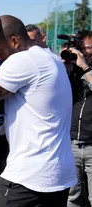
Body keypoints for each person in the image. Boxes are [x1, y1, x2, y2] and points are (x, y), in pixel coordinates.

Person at [0, 8, 77, 207]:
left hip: (27, 179)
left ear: (14, 41)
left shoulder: (25, 60)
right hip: (56, 176)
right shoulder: (50, 58)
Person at [67, 30, 92, 207]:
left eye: (88, 48)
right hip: (71, 144)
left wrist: (85, 68)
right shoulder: (72, 72)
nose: (84, 52)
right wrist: (64, 66)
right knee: (72, 196)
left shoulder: (85, 69)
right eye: (81, 48)